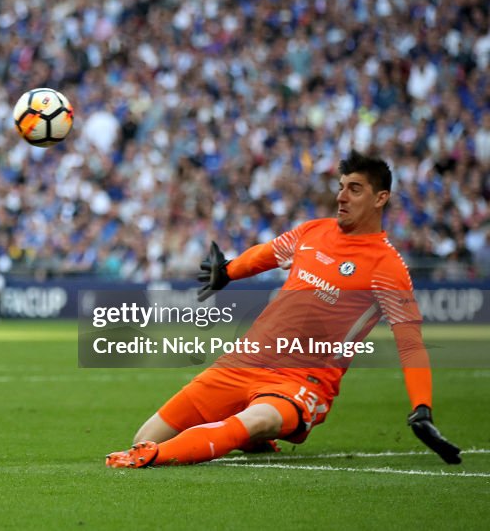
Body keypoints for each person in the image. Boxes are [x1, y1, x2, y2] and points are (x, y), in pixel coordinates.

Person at [106, 150, 462, 468]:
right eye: (340, 187)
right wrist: (228, 272)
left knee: (248, 422)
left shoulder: (387, 266)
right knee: (146, 435)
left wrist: (422, 408)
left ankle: (155, 458)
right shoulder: (312, 231)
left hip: (300, 381)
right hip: (242, 363)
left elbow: (410, 343)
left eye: (355, 189)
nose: (341, 197)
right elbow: (266, 254)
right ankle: (242, 442)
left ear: (380, 198)